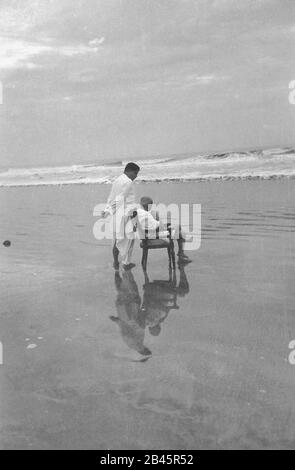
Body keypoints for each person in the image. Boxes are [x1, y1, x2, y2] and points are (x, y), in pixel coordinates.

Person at [101, 162, 140, 270]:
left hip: (116, 215)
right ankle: (126, 263)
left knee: (116, 239)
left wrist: (107, 209)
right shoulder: (128, 182)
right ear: (130, 171)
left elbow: (111, 197)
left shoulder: (117, 180)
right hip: (126, 213)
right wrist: (108, 210)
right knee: (130, 239)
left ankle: (115, 262)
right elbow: (120, 198)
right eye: (135, 173)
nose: (136, 176)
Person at [136, 196, 192, 264]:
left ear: (141, 204)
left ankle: (181, 252)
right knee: (180, 233)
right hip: (152, 236)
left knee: (178, 228)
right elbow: (157, 226)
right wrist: (159, 219)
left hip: (145, 235)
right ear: (149, 206)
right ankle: (181, 255)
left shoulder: (137, 212)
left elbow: (151, 225)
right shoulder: (147, 214)